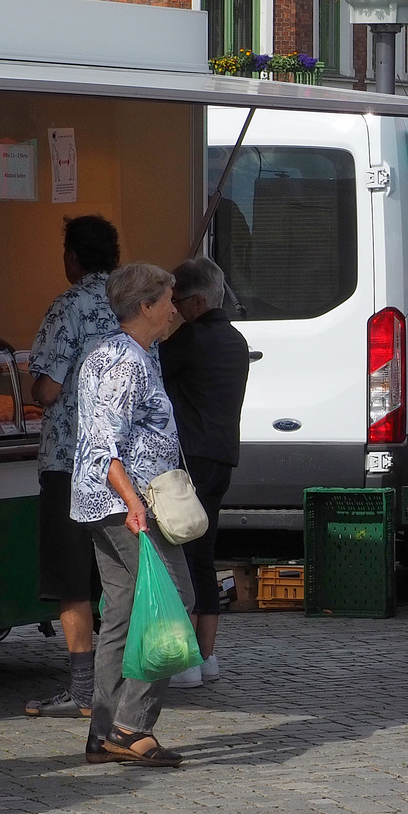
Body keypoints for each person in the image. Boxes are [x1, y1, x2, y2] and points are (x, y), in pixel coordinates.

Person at [72, 263, 196, 767]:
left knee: (122, 613)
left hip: (107, 503)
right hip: (126, 504)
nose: (174, 309)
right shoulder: (124, 361)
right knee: (174, 599)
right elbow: (105, 443)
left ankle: (104, 731)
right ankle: (130, 726)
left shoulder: (131, 353)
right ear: (145, 306)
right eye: (168, 300)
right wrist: (134, 504)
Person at [25, 216, 122, 720]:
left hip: (71, 459)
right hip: (125, 464)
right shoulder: (135, 304)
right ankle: (120, 683)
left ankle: (84, 690)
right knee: (118, 576)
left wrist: (35, 386)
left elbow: (47, 388)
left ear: (73, 257)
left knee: (72, 579)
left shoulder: (69, 308)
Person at [162, 257, 251, 689]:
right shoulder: (235, 340)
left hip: (189, 459)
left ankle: (186, 660)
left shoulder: (189, 339)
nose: (173, 309)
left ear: (198, 300)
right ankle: (207, 655)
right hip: (222, 458)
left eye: (177, 301)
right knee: (205, 552)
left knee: (182, 555)